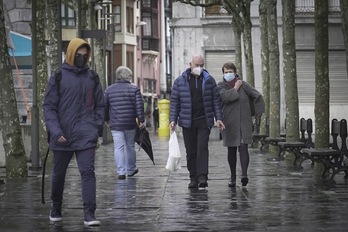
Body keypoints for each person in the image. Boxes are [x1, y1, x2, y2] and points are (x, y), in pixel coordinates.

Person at [43, 38, 105, 226]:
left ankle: (89, 214)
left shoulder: (92, 77)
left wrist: (96, 125)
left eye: (85, 54)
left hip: (86, 134)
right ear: (71, 53)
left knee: (88, 172)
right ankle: (56, 207)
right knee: (59, 174)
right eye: (79, 54)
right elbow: (49, 107)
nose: (83, 57)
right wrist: (55, 131)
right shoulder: (58, 76)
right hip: (62, 136)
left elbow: (100, 104)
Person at [170, 54, 225, 188]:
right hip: (187, 121)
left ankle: (202, 177)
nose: (199, 68)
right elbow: (174, 102)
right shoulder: (180, 81)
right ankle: (193, 177)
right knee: (191, 150)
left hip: (204, 120)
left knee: (202, 148)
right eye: (197, 65)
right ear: (190, 64)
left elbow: (215, 101)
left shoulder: (209, 80)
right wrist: (173, 119)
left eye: (201, 65)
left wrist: (218, 118)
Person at [217, 62, 265, 188]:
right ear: (223, 74)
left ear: (235, 72)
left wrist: (257, 114)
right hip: (229, 123)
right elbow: (226, 98)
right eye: (226, 72)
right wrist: (235, 88)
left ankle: (244, 175)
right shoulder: (221, 86)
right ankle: (232, 176)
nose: (228, 74)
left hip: (244, 122)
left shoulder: (244, 85)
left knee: (244, 148)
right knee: (231, 149)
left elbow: (257, 96)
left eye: (230, 71)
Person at [104, 66, 145, 180]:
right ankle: (131, 170)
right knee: (130, 146)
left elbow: (105, 107)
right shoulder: (134, 89)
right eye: (130, 76)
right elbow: (139, 106)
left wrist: (106, 119)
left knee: (118, 147)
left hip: (116, 124)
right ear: (126, 76)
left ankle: (121, 171)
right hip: (130, 124)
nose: (131, 78)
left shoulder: (109, 90)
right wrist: (141, 120)